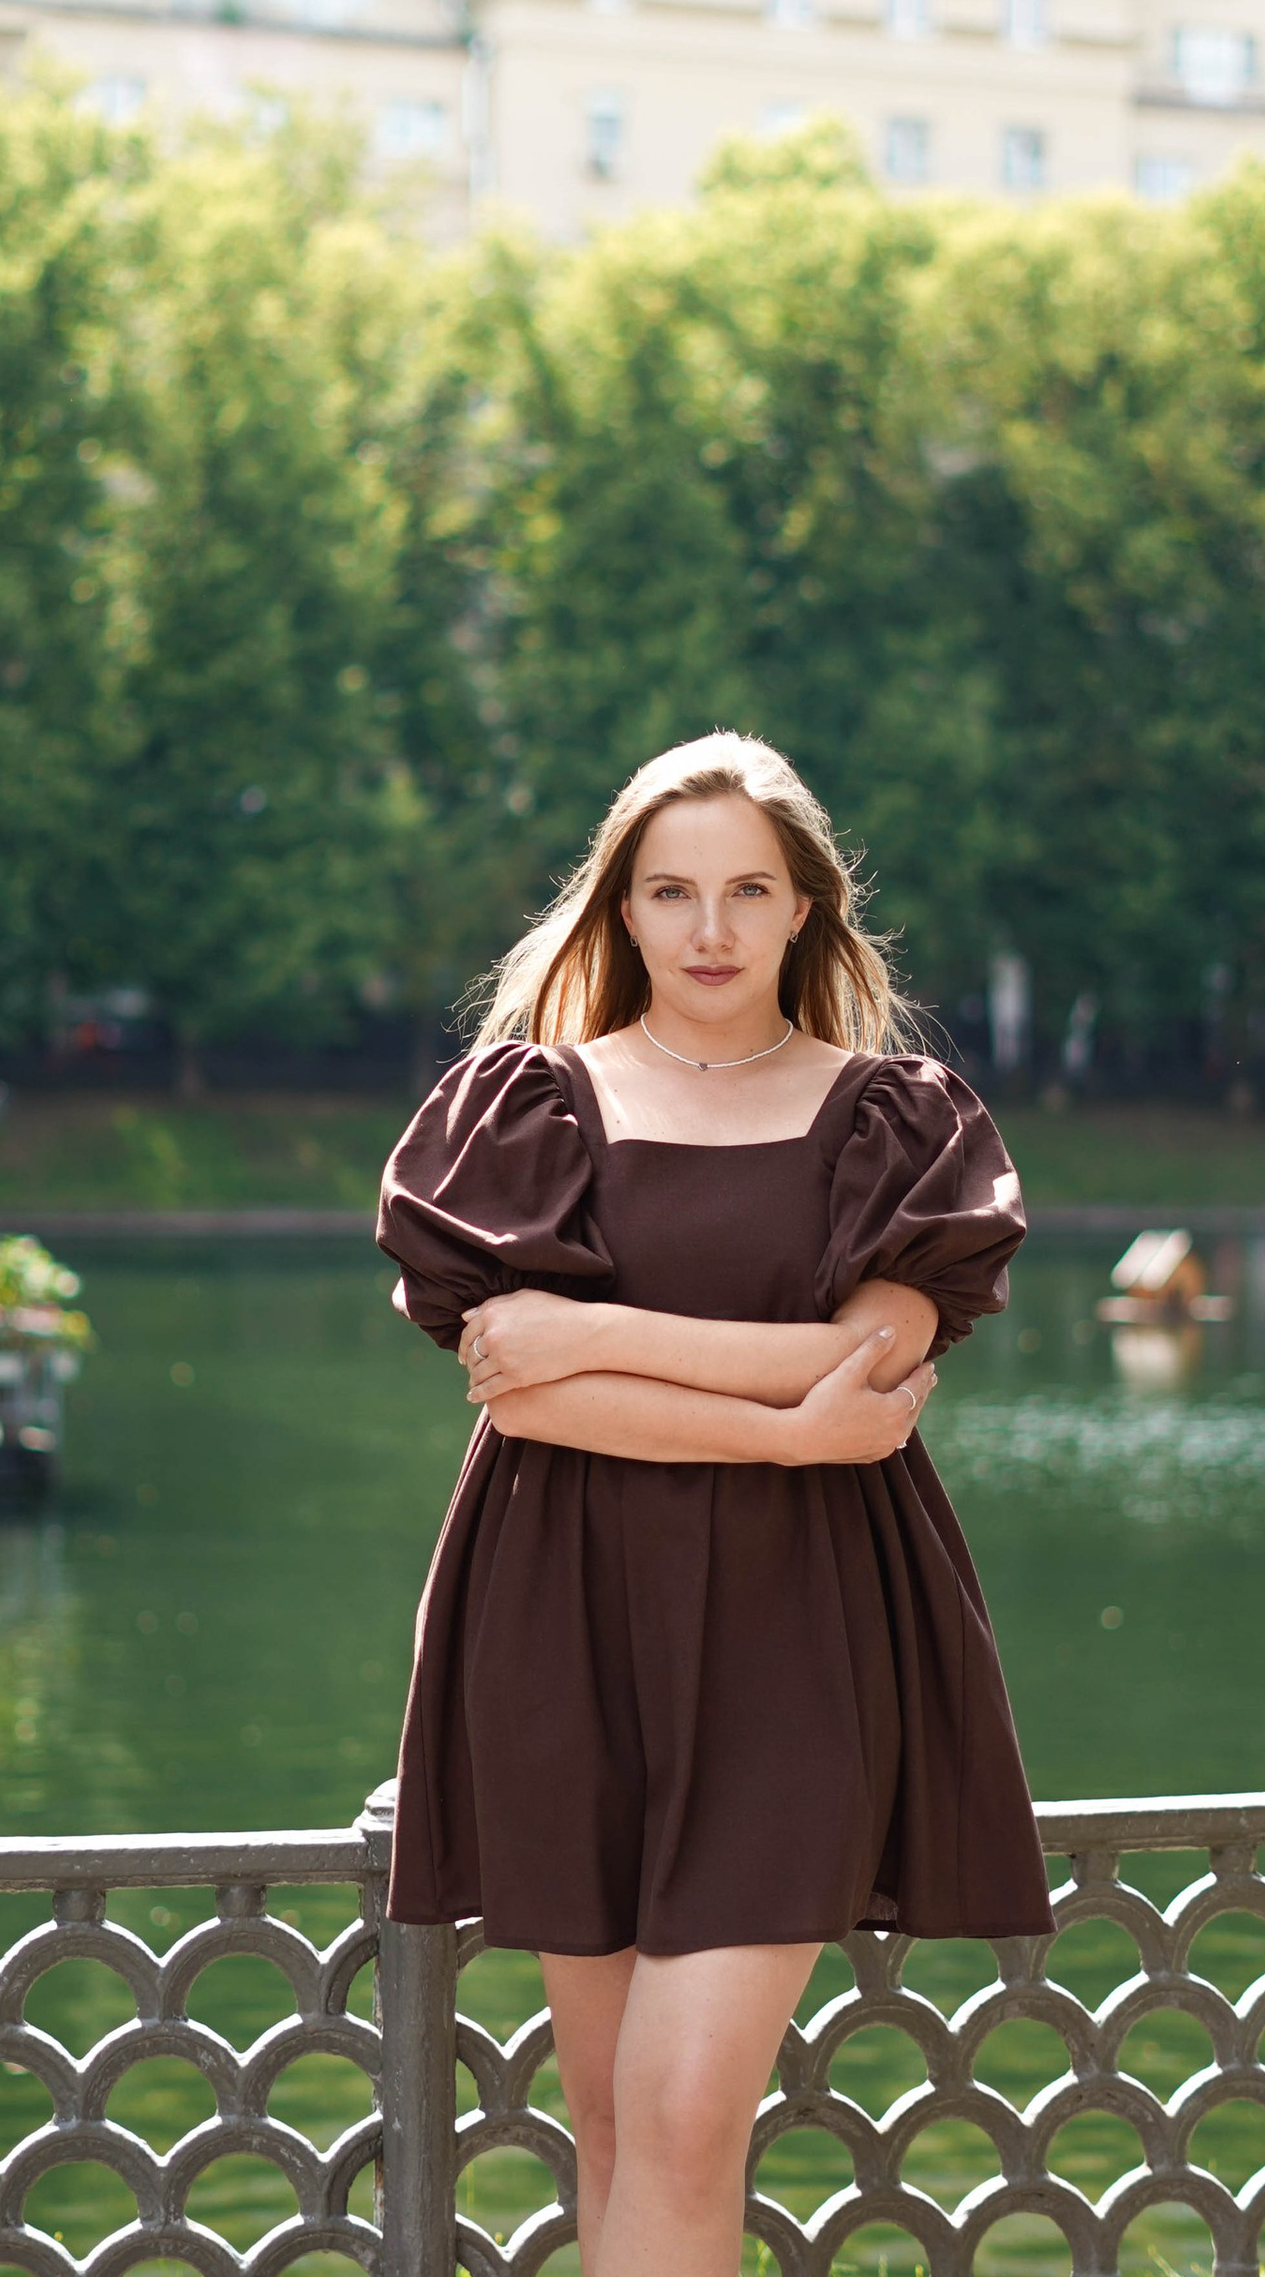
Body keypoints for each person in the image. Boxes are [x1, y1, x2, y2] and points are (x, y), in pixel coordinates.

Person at [376, 732, 1049, 2276]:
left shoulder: (898, 1121)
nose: (710, 931)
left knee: (684, 2115)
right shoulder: (524, 1108)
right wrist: (783, 1423)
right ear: (618, 908)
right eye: (670, 891)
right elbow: (518, 1390)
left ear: (809, 906)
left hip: (802, 1636)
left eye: (750, 889)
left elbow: (871, 1378)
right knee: (609, 2117)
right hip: (559, 1623)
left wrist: (592, 1329)